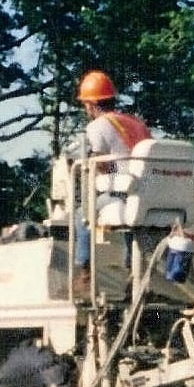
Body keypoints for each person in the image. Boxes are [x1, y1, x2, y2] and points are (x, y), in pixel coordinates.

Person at [68, 70, 154, 292]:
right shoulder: (136, 123)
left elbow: (102, 165)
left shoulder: (97, 126)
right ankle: (134, 273)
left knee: (82, 214)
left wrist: (80, 166)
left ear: (90, 105)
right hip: (151, 194)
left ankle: (85, 275)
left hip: (126, 193)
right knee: (132, 223)